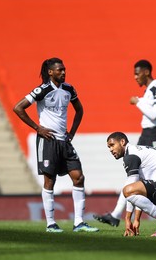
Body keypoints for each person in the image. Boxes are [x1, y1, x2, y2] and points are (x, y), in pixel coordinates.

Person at [13, 57, 99, 233]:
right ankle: (51, 224)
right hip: (48, 141)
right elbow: (18, 107)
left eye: (64, 69)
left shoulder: (69, 89)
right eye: (59, 70)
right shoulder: (42, 90)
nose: (63, 72)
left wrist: (72, 132)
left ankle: (79, 222)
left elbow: (79, 109)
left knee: (78, 177)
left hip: (64, 141)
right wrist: (38, 128)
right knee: (49, 181)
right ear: (50, 72)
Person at [95, 60, 156, 228]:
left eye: (137, 73)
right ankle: (115, 215)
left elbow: (154, 113)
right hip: (146, 134)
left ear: (146, 72)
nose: (135, 77)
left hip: (155, 133)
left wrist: (138, 102)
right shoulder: (149, 90)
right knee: (134, 177)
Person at [104, 131, 156, 237]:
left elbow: (130, 190)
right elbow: (139, 194)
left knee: (127, 190)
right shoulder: (138, 151)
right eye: (109, 147)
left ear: (122, 142)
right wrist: (136, 220)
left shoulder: (131, 155)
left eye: (112, 145)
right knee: (135, 191)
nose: (111, 150)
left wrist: (127, 219)